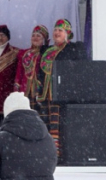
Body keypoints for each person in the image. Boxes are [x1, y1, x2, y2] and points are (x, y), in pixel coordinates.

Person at [35, 19, 87, 157]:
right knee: (45, 124)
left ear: (67, 33)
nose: (57, 32)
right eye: (55, 30)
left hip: (63, 94)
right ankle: (47, 153)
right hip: (46, 95)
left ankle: (60, 155)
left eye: (60, 30)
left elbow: (80, 70)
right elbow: (40, 72)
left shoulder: (74, 48)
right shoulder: (47, 50)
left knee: (60, 126)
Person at [14, 24, 49, 102]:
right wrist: (16, 89)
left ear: (44, 39)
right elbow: (19, 73)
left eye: (38, 36)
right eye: (33, 35)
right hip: (25, 90)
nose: (35, 38)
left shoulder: (47, 54)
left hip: (41, 91)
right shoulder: (24, 54)